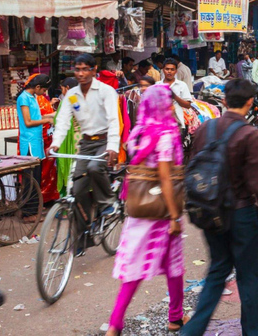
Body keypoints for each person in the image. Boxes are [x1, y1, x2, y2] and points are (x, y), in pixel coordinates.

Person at [182, 79, 258, 336]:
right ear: (250, 103)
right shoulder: (248, 134)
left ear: (224, 100)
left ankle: (191, 331)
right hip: (241, 214)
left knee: (217, 271)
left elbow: (193, 167)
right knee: (248, 278)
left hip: (209, 211)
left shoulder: (205, 128)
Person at [106, 85, 187, 336]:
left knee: (133, 272)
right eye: (169, 102)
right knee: (174, 268)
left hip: (138, 209)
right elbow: (164, 177)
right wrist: (174, 216)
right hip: (162, 210)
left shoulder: (139, 132)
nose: (172, 107)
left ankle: (115, 325)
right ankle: (174, 317)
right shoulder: (164, 134)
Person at [51, 53, 121, 253]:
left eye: (85, 69)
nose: (81, 74)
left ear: (93, 70)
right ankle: (83, 238)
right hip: (86, 143)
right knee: (77, 189)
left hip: (104, 140)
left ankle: (108, 201)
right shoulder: (72, 95)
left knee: (94, 167)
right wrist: (55, 143)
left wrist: (113, 147)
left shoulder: (106, 91)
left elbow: (113, 120)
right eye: (77, 69)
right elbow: (63, 120)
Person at [17, 74, 55, 221]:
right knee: (31, 179)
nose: (44, 93)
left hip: (36, 141)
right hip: (29, 143)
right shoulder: (24, 98)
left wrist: (52, 116)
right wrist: (47, 119)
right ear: (37, 87)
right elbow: (27, 122)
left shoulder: (32, 98)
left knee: (36, 178)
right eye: (44, 90)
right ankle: (28, 213)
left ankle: (33, 208)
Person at [55, 77, 79, 197]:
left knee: (70, 169)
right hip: (74, 137)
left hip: (71, 140)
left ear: (68, 88)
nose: (62, 91)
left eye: (62, 88)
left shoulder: (72, 98)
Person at [158, 59, 193, 130]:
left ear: (176, 71)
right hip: (160, 123)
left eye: (172, 69)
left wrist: (174, 96)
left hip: (177, 124)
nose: (169, 71)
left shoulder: (182, 85)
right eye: (167, 69)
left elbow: (188, 105)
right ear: (163, 70)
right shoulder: (157, 85)